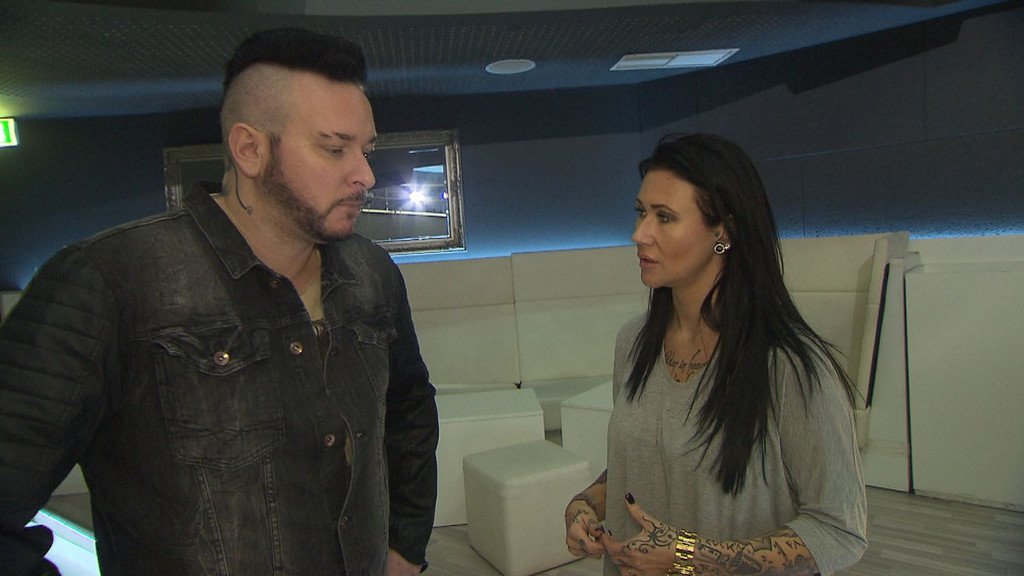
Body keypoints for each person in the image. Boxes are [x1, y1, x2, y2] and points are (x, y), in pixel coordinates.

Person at [0, 28, 438, 575]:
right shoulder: (109, 281)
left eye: (365, 150)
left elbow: (409, 411)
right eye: (334, 148)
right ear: (250, 149)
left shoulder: (372, 274)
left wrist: (404, 546)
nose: (366, 175)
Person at [564, 133, 867, 576]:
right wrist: (586, 504)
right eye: (641, 212)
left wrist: (691, 557)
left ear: (723, 231)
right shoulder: (633, 343)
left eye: (664, 217)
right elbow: (655, 463)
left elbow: (839, 530)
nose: (639, 234)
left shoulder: (791, 367)